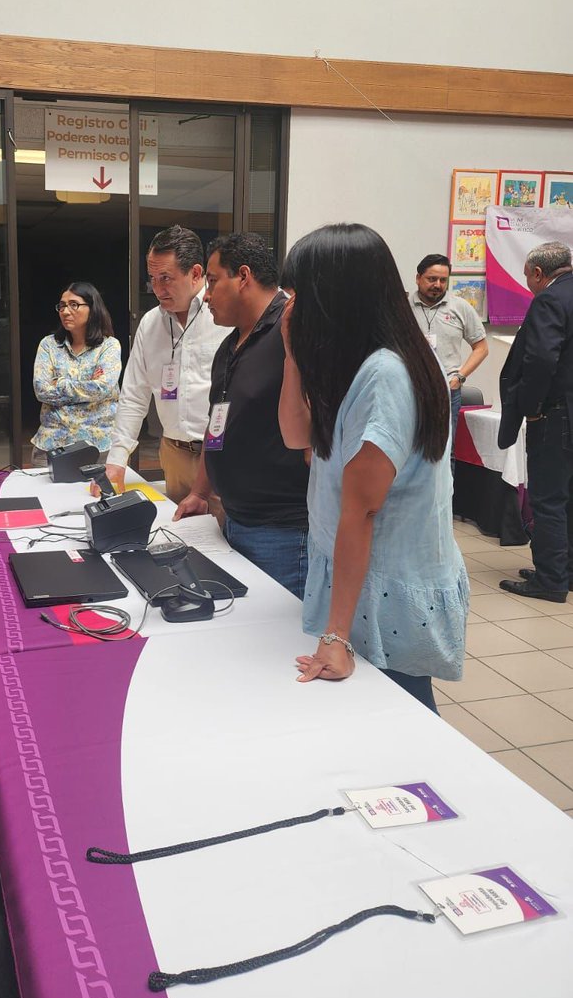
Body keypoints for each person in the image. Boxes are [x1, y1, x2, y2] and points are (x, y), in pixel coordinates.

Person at [279, 224, 468, 712]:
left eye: (300, 295)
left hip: (382, 582)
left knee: (398, 711)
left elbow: (362, 511)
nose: (290, 308)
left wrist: (336, 637)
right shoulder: (355, 363)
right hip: (357, 574)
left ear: (335, 299)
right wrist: (292, 355)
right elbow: (296, 436)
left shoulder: (386, 374)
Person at [173, 234, 310, 597]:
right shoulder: (229, 346)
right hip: (233, 520)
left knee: (277, 629)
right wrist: (199, 491)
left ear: (243, 277)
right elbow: (217, 426)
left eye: (213, 281)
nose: (206, 296)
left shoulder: (291, 331)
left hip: (282, 531)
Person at [105, 225, 228, 516]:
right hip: (173, 454)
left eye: (166, 278)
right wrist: (117, 458)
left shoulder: (223, 315)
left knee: (224, 536)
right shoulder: (150, 324)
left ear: (195, 273)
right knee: (182, 534)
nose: (157, 289)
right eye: (152, 279)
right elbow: (134, 394)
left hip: (220, 454)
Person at [498, 242, 573, 603]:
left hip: (555, 414)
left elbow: (541, 359)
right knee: (568, 498)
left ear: (539, 273)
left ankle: (550, 580)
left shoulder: (549, 300)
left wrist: (531, 408)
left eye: (527, 275)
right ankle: (564, 570)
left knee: (548, 499)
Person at [31, 282, 121, 465]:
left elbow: (102, 388)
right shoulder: (49, 345)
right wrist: (87, 387)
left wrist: (60, 383)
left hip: (98, 446)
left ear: (93, 308)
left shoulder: (109, 346)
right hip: (52, 443)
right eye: (62, 305)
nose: (65, 311)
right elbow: (41, 390)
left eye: (74, 304)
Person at [411, 253, 488, 447]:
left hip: (447, 390)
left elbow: (481, 348)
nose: (437, 285)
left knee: (445, 449)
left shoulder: (460, 307)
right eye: (431, 279)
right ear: (418, 278)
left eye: (443, 280)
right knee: (409, 448)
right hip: (410, 388)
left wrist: (459, 378)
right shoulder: (403, 307)